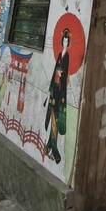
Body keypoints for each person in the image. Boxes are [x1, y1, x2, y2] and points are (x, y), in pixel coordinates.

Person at [45, 28, 70, 164]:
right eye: (64, 40)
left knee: (57, 119)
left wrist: (62, 74)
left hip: (61, 92)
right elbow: (56, 71)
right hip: (55, 89)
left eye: (67, 40)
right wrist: (57, 74)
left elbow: (64, 73)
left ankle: (51, 146)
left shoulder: (67, 56)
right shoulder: (60, 54)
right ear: (62, 41)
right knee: (54, 119)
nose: (65, 42)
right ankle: (52, 148)